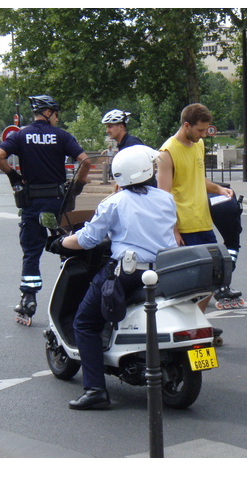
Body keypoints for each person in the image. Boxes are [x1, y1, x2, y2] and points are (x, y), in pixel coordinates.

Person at [49, 145, 177, 410]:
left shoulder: (114, 203)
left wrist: (60, 243)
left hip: (129, 274)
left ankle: (95, 389)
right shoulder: (165, 198)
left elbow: (87, 239)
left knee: (84, 322)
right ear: (146, 172)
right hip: (165, 273)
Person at [0, 95, 91, 323]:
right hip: (57, 204)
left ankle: (28, 302)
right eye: (56, 114)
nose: (57, 118)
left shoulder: (20, 136)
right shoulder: (62, 136)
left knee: (32, 253)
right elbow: (85, 161)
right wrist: (77, 185)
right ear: (48, 113)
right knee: (68, 249)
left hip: (32, 205)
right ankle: (73, 300)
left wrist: (14, 175)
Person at [157, 103, 233, 313]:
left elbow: (198, 179)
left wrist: (219, 189)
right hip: (184, 226)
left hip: (202, 221)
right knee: (188, 282)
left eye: (205, 130)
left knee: (214, 276)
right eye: (200, 130)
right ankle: (187, 322)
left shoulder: (198, 145)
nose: (203, 135)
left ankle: (196, 320)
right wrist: (173, 229)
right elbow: (163, 195)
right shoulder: (167, 152)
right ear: (186, 125)